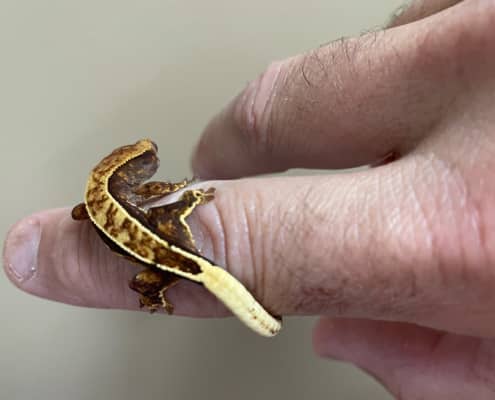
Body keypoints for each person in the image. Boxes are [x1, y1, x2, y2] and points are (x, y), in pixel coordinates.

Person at [4, 0, 494, 397]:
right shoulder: (124, 198)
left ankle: (167, 291)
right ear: (125, 173)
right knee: (180, 246)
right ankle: (192, 290)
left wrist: (145, 242)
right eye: (142, 160)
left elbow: (85, 212)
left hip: (162, 257)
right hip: (167, 255)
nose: (147, 160)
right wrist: (183, 199)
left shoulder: (94, 202)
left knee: (170, 264)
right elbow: (142, 202)